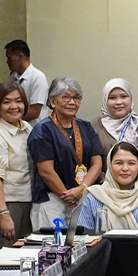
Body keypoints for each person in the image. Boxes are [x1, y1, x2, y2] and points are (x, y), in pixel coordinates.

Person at [27, 76, 103, 228]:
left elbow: (97, 163)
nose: (72, 102)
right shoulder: (42, 130)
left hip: (83, 196)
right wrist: (68, 197)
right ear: (53, 101)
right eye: (65, 97)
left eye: (76, 98)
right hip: (52, 199)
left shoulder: (86, 127)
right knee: (54, 248)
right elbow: (46, 171)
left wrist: (82, 188)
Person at [0, 81, 34, 256]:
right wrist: (3, 214)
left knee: (26, 260)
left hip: (27, 200)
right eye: (6, 102)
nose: (14, 106)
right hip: (6, 204)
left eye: (18, 101)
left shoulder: (27, 128)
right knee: (5, 261)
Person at [78, 142, 138, 232]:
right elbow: (85, 239)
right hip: (105, 249)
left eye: (131, 163)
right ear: (110, 166)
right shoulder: (94, 197)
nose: (125, 168)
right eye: (119, 163)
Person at [91, 78, 138, 182]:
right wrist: (107, 180)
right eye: (112, 98)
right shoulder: (92, 127)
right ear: (105, 100)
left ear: (131, 99)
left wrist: (128, 180)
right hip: (104, 189)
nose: (118, 102)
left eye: (123, 96)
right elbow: (89, 162)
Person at [4, 39, 48, 124]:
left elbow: (34, 112)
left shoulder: (38, 77)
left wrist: (8, 121)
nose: (7, 62)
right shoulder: (12, 77)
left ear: (21, 57)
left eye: (9, 58)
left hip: (34, 131)